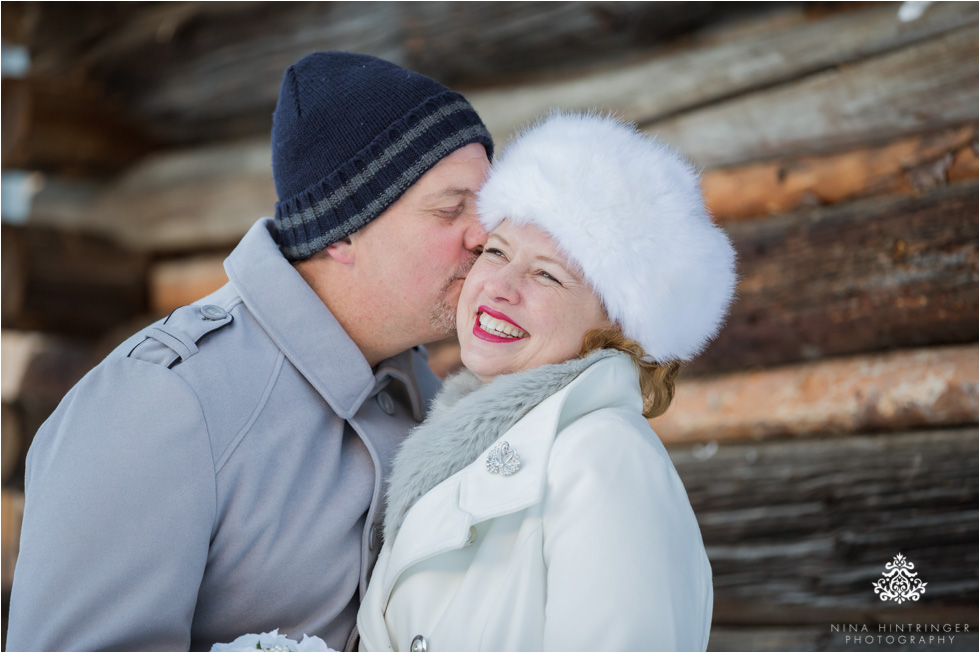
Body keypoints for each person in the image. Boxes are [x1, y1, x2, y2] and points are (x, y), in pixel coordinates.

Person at [6, 52, 493, 652]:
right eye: (451, 209)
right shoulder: (162, 403)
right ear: (343, 228)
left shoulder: (421, 383)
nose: (486, 234)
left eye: (490, 206)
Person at [355, 112, 737, 651]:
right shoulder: (462, 442)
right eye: (496, 252)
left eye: (546, 274)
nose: (499, 287)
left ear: (614, 330)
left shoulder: (605, 457)